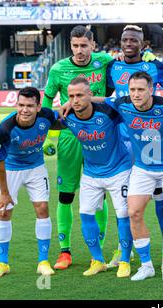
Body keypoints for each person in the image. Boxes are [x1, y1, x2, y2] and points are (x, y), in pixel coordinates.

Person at [104, 26, 163, 268]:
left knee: (161, 201)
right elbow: (107, 102)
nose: (128, 43)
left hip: (153, 143)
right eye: (125, 39)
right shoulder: (112, 67)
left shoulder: (155, 67)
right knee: (125, 202)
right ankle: (124, 251)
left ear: (143, 43)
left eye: (133, 40)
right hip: (125, 142)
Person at [42, 25, 114, 270]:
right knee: (66, 195)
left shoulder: (104, 62)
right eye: (75, 46)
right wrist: (49, 136)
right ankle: (65, 252)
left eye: (84, 45)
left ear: (93, 45)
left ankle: (99, 247)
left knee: (100, 191)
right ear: (70, 46)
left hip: (99, 135)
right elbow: (47, 99)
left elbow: (116, 92)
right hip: (70, 136)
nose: (80, 51)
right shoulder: (59, 69)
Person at [105, 71, 163, 282]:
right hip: (142, 167)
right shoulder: (122, 104)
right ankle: (146, 265)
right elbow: (100, 101)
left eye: (141, 89)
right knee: (133, 213)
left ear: (151, 90)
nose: (136, 94)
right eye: (132, 89)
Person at [60, 77, 134, 277]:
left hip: (119, 169)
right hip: (91, 173)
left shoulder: (109, 111)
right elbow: (39, 117)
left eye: (80, 95)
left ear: (90, 95)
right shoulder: (66, 116)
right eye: (72, 96)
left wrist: (101, 99)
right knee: (85, 213)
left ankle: (125, 260)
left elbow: (126, 100)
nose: (75, 100)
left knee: (124, 214)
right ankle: (97, 260)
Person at [0, 87, 59, 278]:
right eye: (21, 105)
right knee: (4, 212)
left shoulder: (46, 116)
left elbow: (61, 116)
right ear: (16, 104)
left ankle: (43, 261)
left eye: (30, 106)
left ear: (38, 107)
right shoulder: (6, 127)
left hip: (36, 167)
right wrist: (4, 193)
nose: (25, 110)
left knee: (42, 208)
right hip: (11, 169)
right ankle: (3, 263)